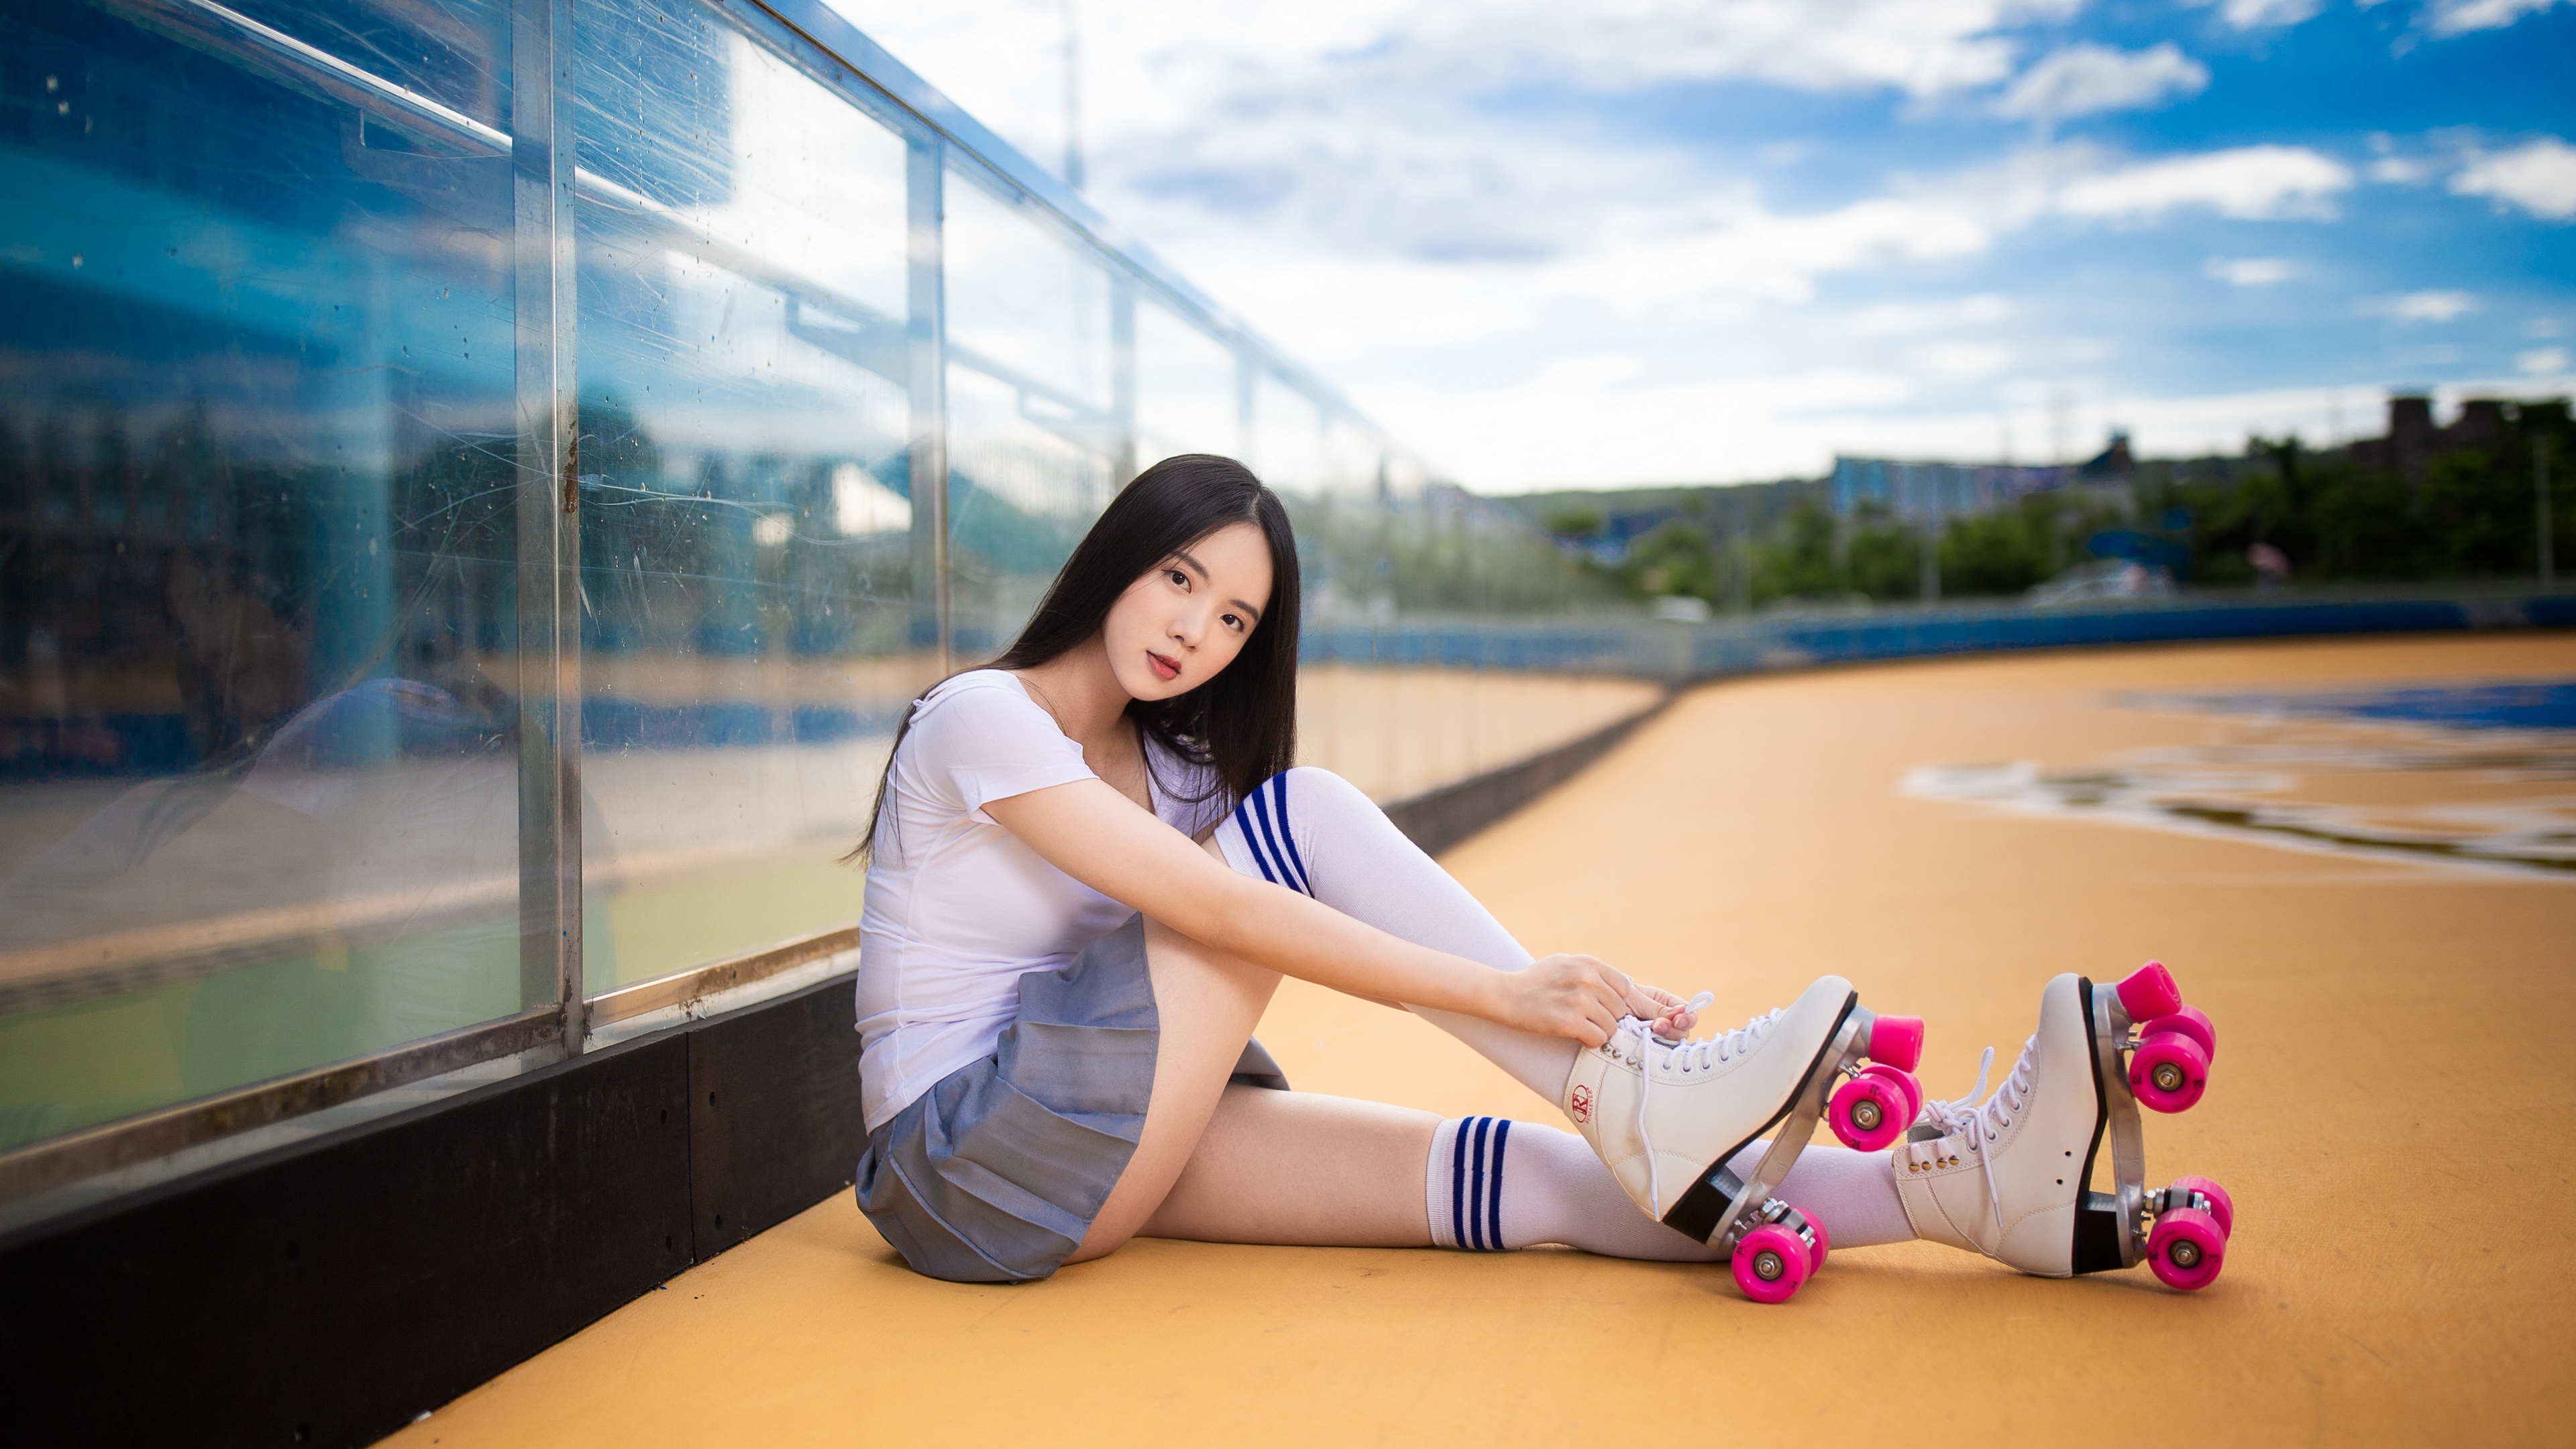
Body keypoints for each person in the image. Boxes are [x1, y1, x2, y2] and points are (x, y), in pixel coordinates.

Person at [850, 455, 2229, 1295]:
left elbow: (1204, 925)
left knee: (1566, 1191)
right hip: (959, 1168)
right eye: (1175, 578)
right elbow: (1220, 912)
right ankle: (1633, 1086)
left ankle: (1976, 1196)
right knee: (1303, 816)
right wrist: (1524, 997)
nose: (1195, 630)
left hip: (1089, 1160)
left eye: (1235, 618)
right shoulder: (984, 718)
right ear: (1115, 559)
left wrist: (1547, 1005)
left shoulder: (1183, 771)